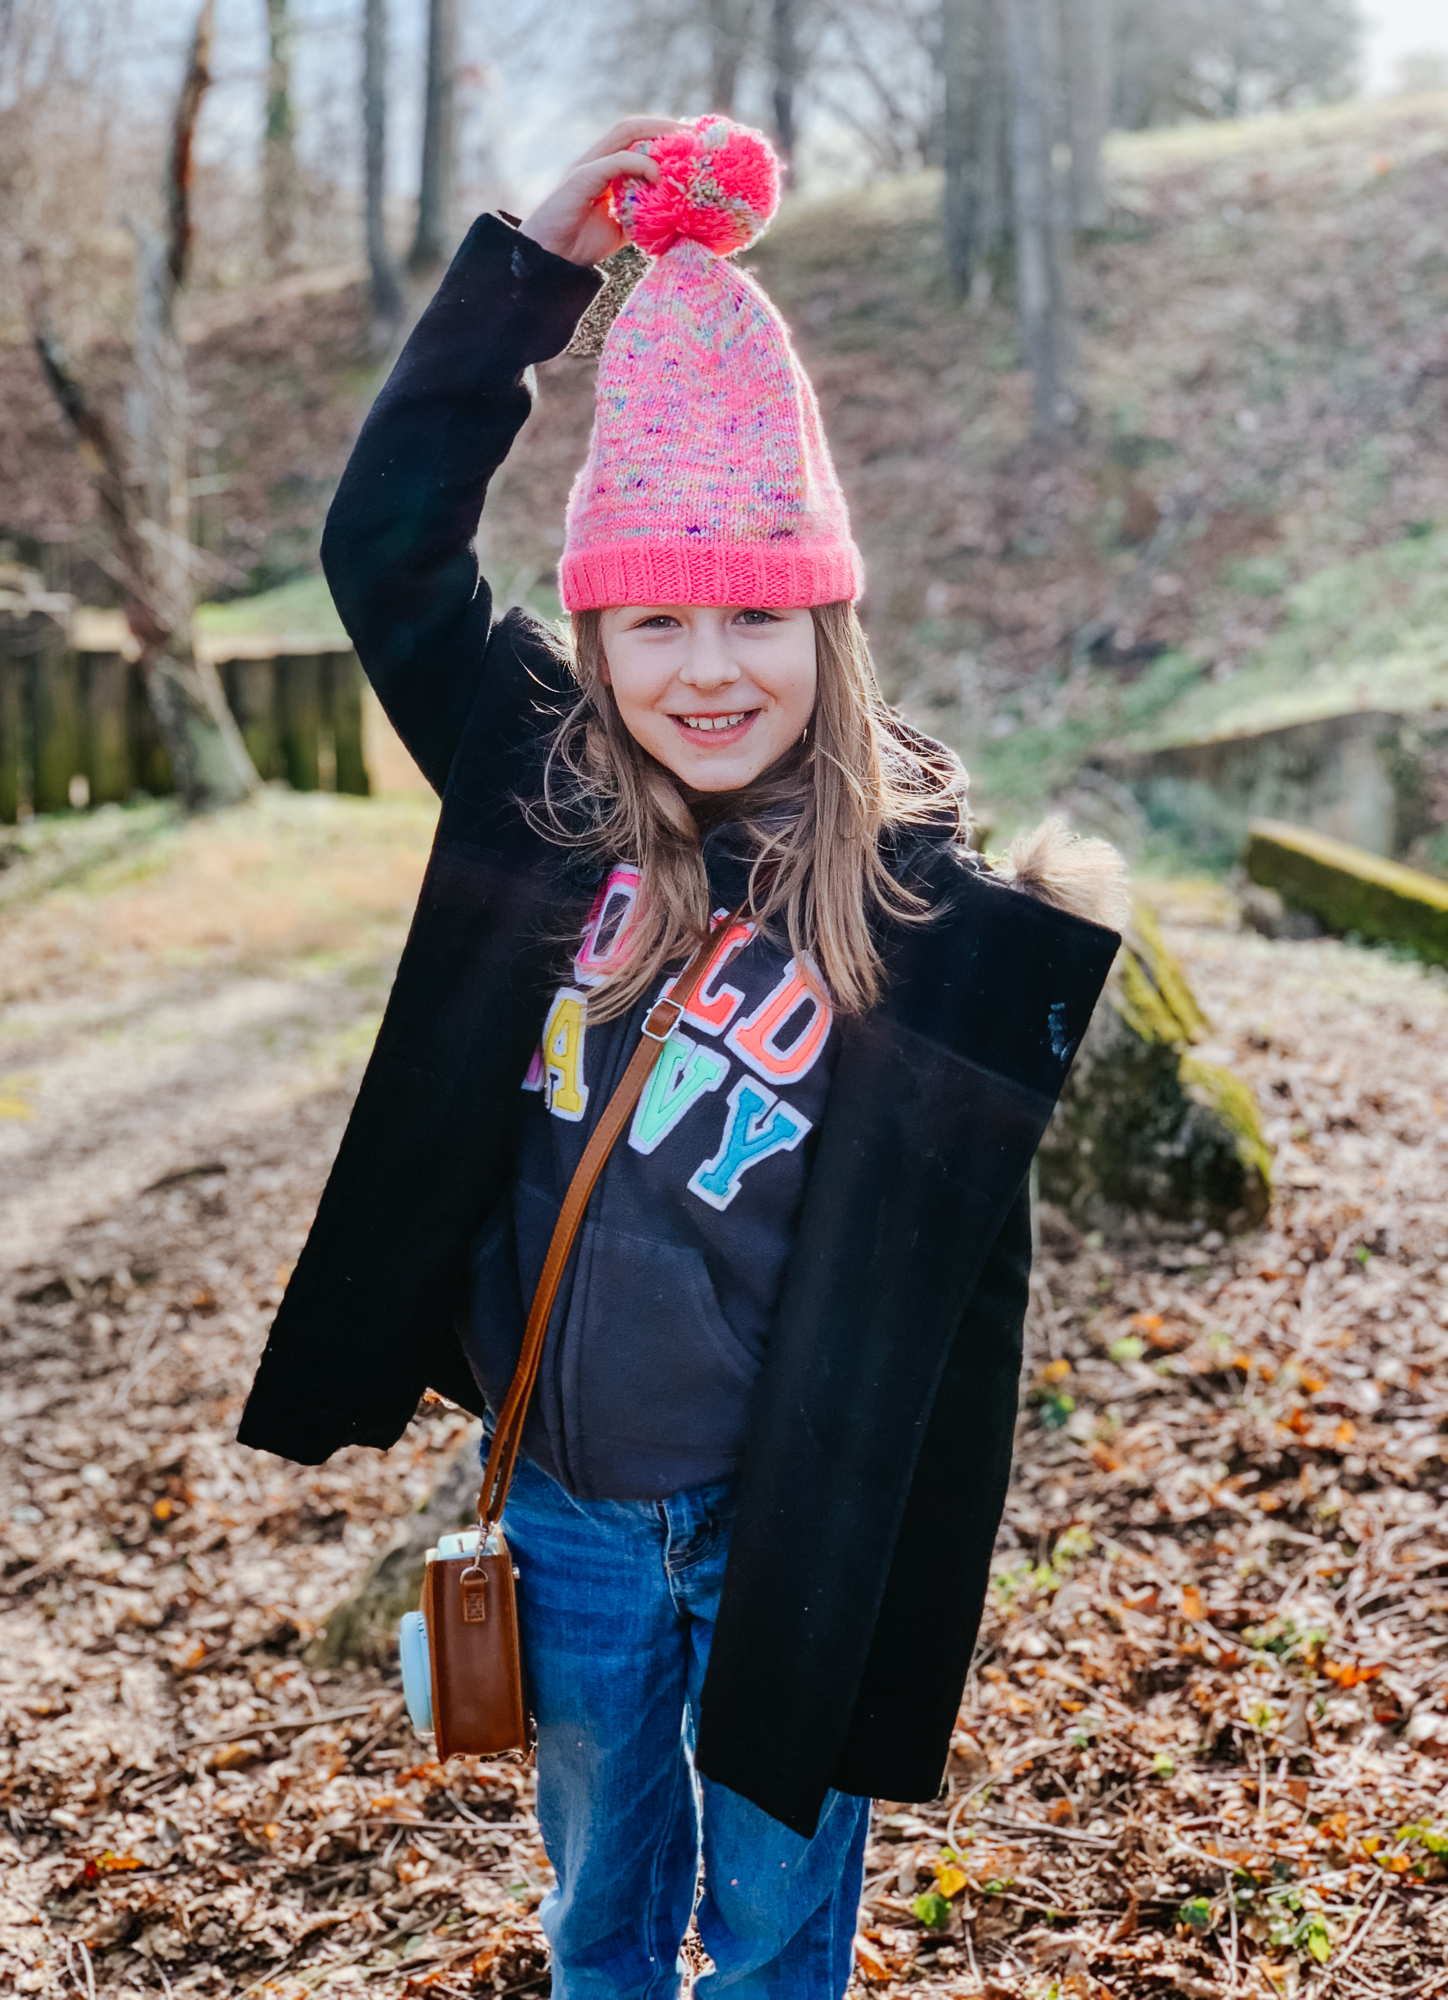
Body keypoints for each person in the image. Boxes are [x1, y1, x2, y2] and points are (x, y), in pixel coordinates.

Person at [240, 114, 1126, 2000]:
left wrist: (892, 1581)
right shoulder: (540, 793)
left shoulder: (927, 922)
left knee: (788, 1936)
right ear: (595, 630)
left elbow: (959, 1326)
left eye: (753, 613)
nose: (705, 667)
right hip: (564, 1507)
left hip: (792, 1530)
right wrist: (525, 279)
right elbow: (381, 543)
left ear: (828, 623)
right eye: (653, 615)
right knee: (601, 1923)